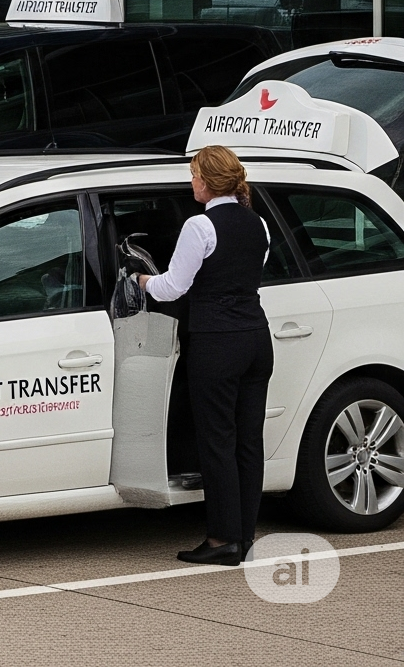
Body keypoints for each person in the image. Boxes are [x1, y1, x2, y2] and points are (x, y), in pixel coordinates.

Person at [137, 143, 273, 565]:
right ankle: (244, 536)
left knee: (216, 441)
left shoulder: (200, 226)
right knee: (249, 442)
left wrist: (140, 280)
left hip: (217, 343)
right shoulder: (259, 225)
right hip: (256, 339)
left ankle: (221, 540)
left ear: (207, 181)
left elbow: (172, 288)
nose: (191, 181)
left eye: (194, 175)